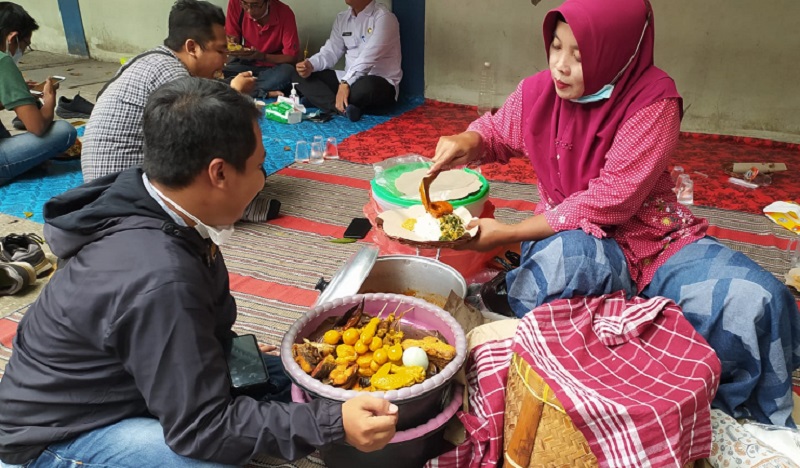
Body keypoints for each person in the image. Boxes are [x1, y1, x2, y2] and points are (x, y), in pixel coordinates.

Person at [430, 0, 800, 428]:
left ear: (617, 51)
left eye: (579, 55)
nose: (561, 66)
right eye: (555, 46)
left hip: (654, 239)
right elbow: (496, 132)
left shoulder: (653, 101)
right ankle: (586, 400)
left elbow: (609, 200)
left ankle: (723, 420)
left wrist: (506, 233)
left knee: (755, 299)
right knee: (565, 267)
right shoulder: (538, 93)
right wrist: (467, 140)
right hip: (574, 236)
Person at [0, 76, 398, 467]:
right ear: (219, 173)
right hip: (58, 437)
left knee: (300, 375)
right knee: (214, 457)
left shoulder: (162, 206)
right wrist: (332, 425)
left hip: (127, 383)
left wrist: (217, 347)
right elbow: (202, 429)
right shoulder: (159, 275)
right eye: (260, 166)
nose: (263, 180)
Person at [80, 0, 256, 183]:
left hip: (105, 187)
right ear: (192, 48)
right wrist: (235, 94)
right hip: (125, 192)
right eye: (220, 51)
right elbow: (209, 134)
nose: (225, 61)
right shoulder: (172, 75)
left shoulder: (151, 60)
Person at [0, 2, 76, 186]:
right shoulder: (3, 62)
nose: (23, 51)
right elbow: (37, 127)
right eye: (26, 45)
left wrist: (17, 93)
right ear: (13, 38)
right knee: (64, 132)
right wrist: (49, 99)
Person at [293, 0, 401, 122]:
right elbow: (331, 51)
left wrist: (346, 83)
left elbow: (368, 58)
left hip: (378, 82)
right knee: (300, 76)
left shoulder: (384, 18)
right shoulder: (342, 18)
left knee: (364, 88)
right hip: (347, 79)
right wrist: (310, 65)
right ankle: (343, 108)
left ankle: (321, 100)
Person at [224, 0, 299, 99]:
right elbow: (233, 37)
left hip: (271, 69)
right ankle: (263, 92)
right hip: (245, 64)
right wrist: (232, 42)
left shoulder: (284, 13)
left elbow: (291, 58)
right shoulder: (236, 3)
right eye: (245, 4)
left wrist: (263, 56)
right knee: (218, 72)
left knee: (288, 72)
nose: (250, 11)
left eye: (256, 5)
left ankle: (236, 89)